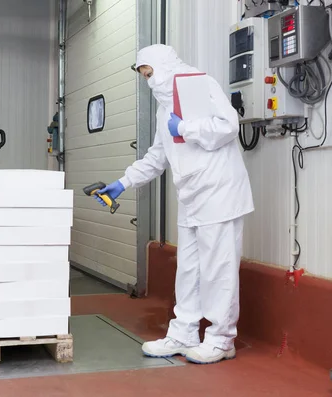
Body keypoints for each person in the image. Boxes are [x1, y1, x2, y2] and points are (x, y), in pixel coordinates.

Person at [94, 44, 254, 364]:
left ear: (164, 66)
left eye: (150, 74)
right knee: (189, 269)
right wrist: (123, 182)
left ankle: (222, 339)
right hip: (191, 195)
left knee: (218, 269)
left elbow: (228, 125)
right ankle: (183, 332)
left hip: (219, 191)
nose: (149, 82)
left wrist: (184, 128)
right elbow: (157, 156)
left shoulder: (201, 83)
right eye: (144, 76)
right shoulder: (163, 106)